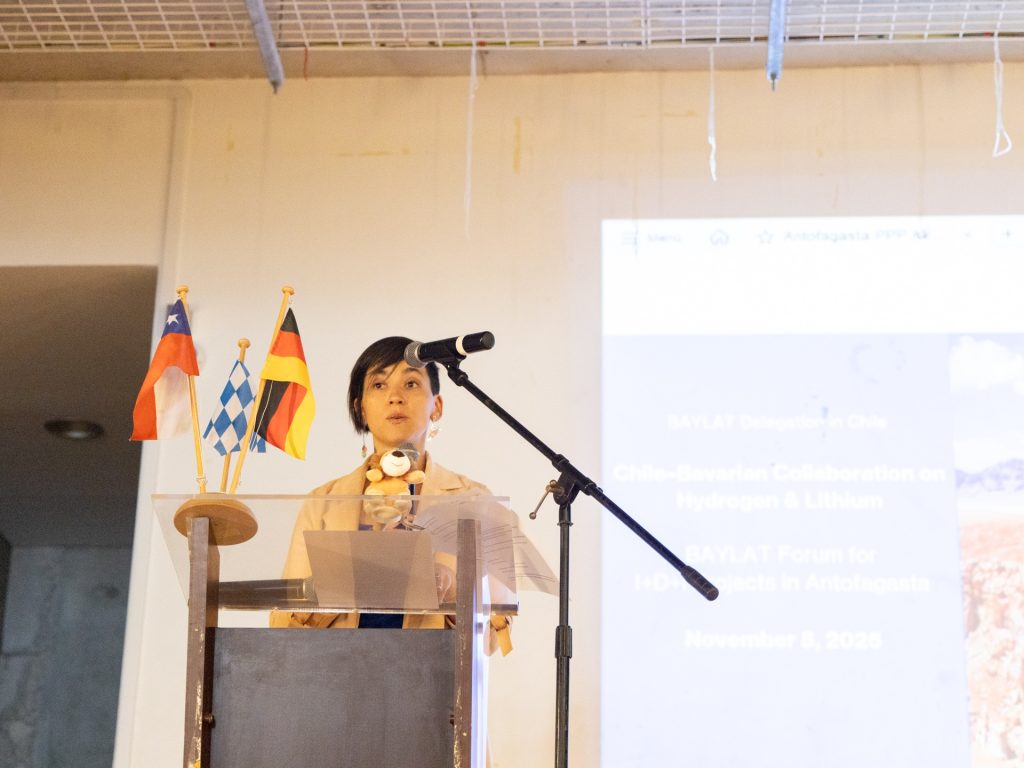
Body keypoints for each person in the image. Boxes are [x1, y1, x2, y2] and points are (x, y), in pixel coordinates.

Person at [270, 336, 512, 653]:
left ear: (437, 406)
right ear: (360, 408)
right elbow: (284, 624)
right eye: (379, 385)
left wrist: (450, 590)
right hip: (336, 671)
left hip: (432, 672)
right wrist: (343, 580)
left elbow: (494, 637)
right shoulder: (323, 503)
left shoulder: (475, 500)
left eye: (411, 384)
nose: (395, 397)